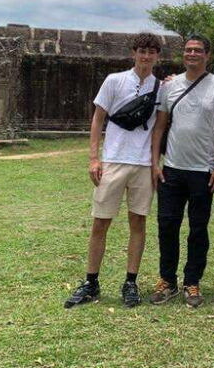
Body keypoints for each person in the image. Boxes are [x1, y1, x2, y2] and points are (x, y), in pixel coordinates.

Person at [64, 33, 163, 309]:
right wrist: (94, 158)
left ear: (157, 56)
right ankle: (91, 281)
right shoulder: (114, 80)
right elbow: (98, 120)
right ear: (133, 52)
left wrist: (155, 163)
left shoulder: (161, 87)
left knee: (138, 223)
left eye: (151, 52)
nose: (146, 56)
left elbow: (157, 130)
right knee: (100, 222)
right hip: (114, 160)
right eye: (142, 51)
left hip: (142, 163)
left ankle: (130, 281)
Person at [149, 35, 214, 308]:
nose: (192, 54)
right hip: (172, 168)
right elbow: (160, 126)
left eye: (198, 50)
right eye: (188, 50)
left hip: (203, 170)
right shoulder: (171, 86)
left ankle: (192, 281)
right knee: (167, 226)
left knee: (198, 229)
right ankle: (167, 280)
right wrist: (154, 162)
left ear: (207, 55)